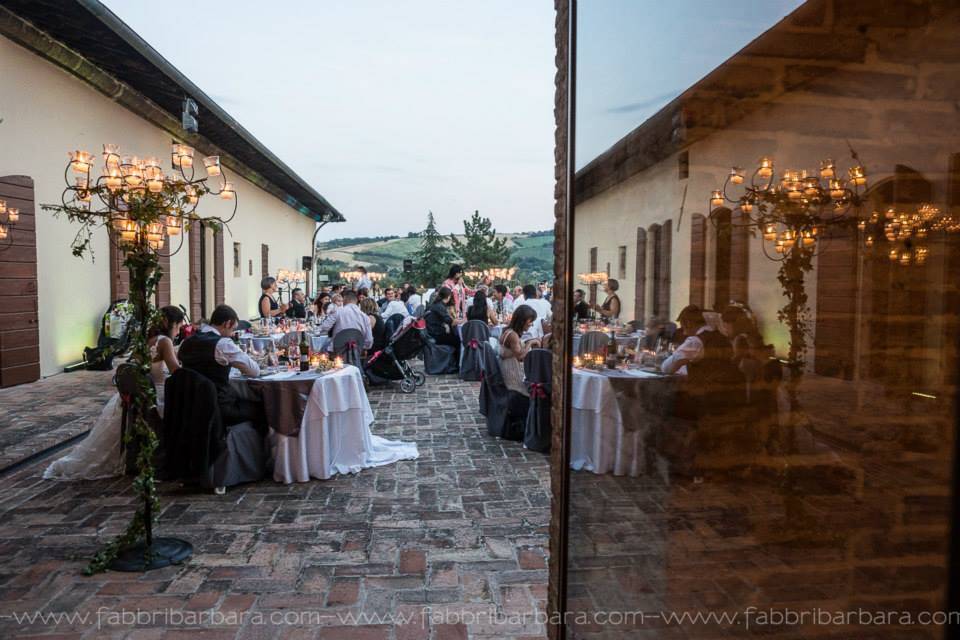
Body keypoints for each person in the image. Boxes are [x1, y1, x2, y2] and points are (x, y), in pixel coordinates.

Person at [44, 306, 186, 481]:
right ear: (170, 323)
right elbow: (176, 371)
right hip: (158, 396)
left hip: (142, 394)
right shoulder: (164, 342)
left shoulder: (147, 339)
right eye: (178, 326)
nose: (178, 331)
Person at [179, 305, 264, 428]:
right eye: (233, 329)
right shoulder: (222, 344)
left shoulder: (186, 342)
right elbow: (254, 371)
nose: (231, 335)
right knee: (266, 407)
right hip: (220, 407)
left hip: (191, 405)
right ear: (227, 323)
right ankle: (251, 446)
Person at [499, 305, 540, 397]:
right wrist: (530, 343)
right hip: (511, 374)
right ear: (522, 321)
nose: (532, 324)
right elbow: (520, 357)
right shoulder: (513, 335)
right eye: (530, 321)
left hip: (507, 368)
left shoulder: (508, 330)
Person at [425, 286, 461, 357]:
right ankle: (456, 364)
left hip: (432, 332)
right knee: (458, 341)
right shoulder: (440, 306)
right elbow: (450, 322)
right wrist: (462, 320)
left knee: (454, 337)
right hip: (436, 334)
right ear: (448, 297)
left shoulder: (436, 304)